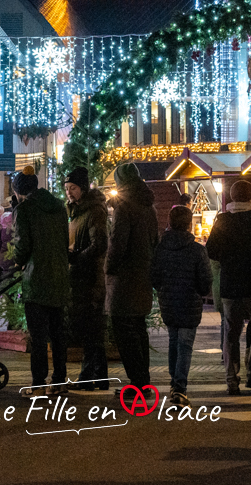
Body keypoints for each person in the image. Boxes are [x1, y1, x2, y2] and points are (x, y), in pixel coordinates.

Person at [207, 179, 251, 396]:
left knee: (231, 332)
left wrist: (227, 258)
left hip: (230, 285)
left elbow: (211, 250)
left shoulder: (222, 220)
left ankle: (232, 379)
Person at [12, 170, 71, 396]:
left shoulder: (25, 210)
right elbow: (65, 240)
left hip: (36, 280)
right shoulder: (58, 207)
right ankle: (59, 380)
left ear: (19, 191)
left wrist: (18, 262)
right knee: (58, 334)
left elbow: (22, 246)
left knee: (38, 337)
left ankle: (38, 383)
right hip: (59, 278)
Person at [151, 205, 213, 406]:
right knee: (185, 345)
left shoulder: (161, 248)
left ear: (169, 222)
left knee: (173, 341)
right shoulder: (196, 250)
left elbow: (155, 276)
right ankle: (180, 387)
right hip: (189, 302)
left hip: (168, 301)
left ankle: (174, 382)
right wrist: (200, 291)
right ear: (188, 224)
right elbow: (205, 281)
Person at [106, 162, 158, 389]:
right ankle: (142, 379)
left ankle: (137, 381)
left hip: (125, 278)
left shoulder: (123, 208)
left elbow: (118, 242)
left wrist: (108, 267)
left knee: (123, 329)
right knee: (138, 328)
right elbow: (154, 241)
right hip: (143, 275)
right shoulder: (149, 207)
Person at [65, 166, 109, 390]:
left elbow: (99, 244)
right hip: (79, 276)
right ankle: (100, 376)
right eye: (66, 188)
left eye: (73, 188)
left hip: (90, 278)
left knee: (90, 327)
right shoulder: (74, 211)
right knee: (90, 328)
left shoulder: (94, 211)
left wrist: (78, 257)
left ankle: (87, 376)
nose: (69, 193)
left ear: (82, 188)